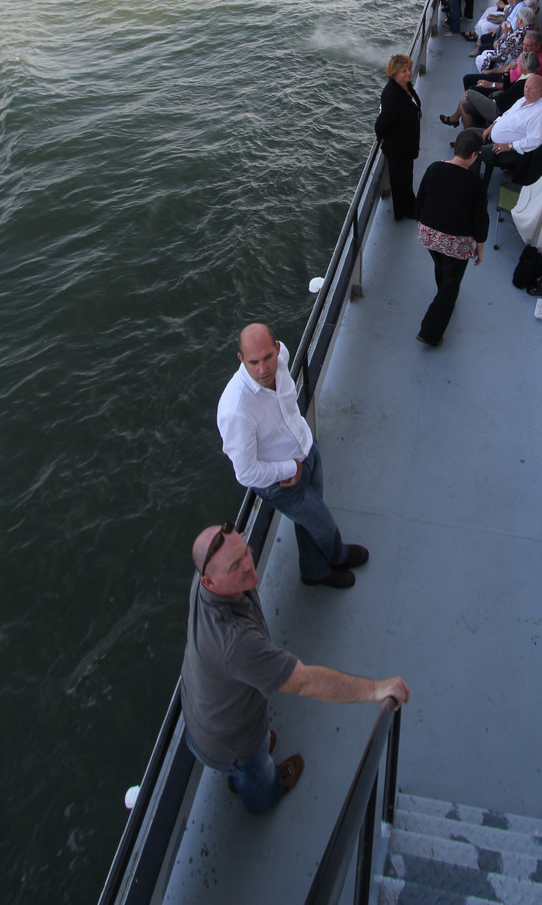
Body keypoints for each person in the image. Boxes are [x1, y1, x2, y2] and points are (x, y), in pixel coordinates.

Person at [181, 521, 409, 815]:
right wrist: (375, 689)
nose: (249, 565)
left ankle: (242, 771)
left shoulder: (204, 580)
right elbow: (303, 682)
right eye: (235, 566)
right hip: (232, 741)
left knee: (249, 761)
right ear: (210, 582)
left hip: (204, 714)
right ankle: (266, 791)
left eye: (246, 551)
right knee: (257, 775)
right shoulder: (235, 644)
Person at [217, 324, 370, 588]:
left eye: (268, 357)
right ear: (241, 359)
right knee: (322, 523)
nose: (263, 369)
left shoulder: (283, 358)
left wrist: (304, 456)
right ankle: (338, 556)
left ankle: (313, 571)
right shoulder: (236, 410)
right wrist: (291, 468)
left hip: (307, 449)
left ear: (277, 349)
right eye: (253, 362)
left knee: (310, 521)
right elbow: (246, 473)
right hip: (283, 483)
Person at [414, 129, 489, 347]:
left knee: (440, 264)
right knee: (451, 286)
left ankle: (442, 291)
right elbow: (480, 220)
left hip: (428, 235)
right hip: (455, 243)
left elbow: (420, 201)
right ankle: (430, 333)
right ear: (474, 155)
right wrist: (480, 247)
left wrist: (424, 224)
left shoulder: (434, 168)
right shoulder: (476, 184)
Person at [478, 74, 542, 186]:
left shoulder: (541, 114)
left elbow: (533, 141)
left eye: (531, 88)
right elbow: (507, 114)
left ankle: (474, 186)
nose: (527, 90)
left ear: (541, 91)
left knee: (473, 151)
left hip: (506, 149)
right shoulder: (525, 99)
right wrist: (492, 125)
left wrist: (509, 146)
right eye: (526, 86)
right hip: (493, 134)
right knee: (467, 135)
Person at [375, 53, 422, 221]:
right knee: (400, 179)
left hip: (407, 143)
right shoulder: (393, 96)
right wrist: (381, 137)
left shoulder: (406, 86)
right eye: (404, 71)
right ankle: (404, 211)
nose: (409, 73)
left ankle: (408, 206)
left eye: (409, 69)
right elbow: (381, 124)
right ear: (395, 74)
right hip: (398, 147)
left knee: (406, 177)